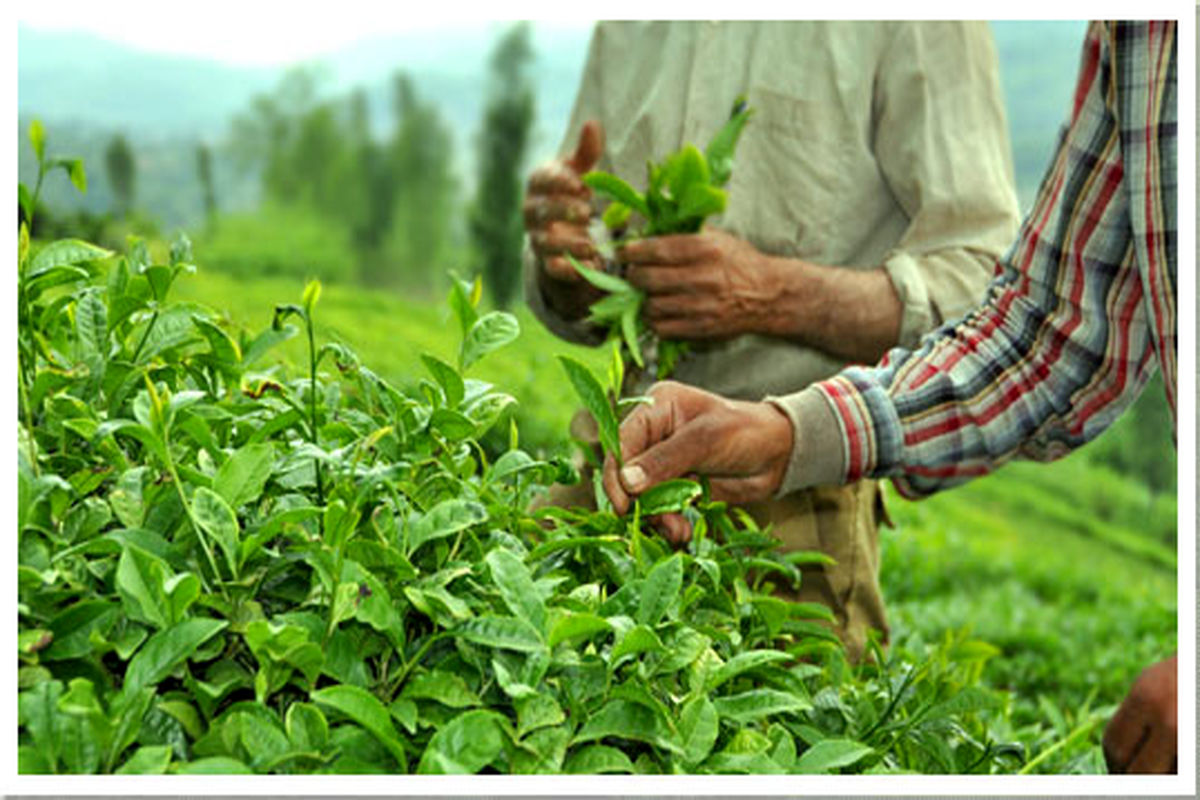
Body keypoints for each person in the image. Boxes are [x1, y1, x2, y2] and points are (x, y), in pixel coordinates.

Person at [601, 21, 1178, 774]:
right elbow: (1046, 335)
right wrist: (784, 431)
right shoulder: (1144, 35)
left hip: (809, 526)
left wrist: (767, 297)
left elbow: (970, 270)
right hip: (687, 465)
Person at [522, 21, 1021, 662]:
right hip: (624, 461)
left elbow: (987, 282)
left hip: (797, 502)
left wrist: (769, 293)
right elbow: (586, 286)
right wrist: (566, 263)